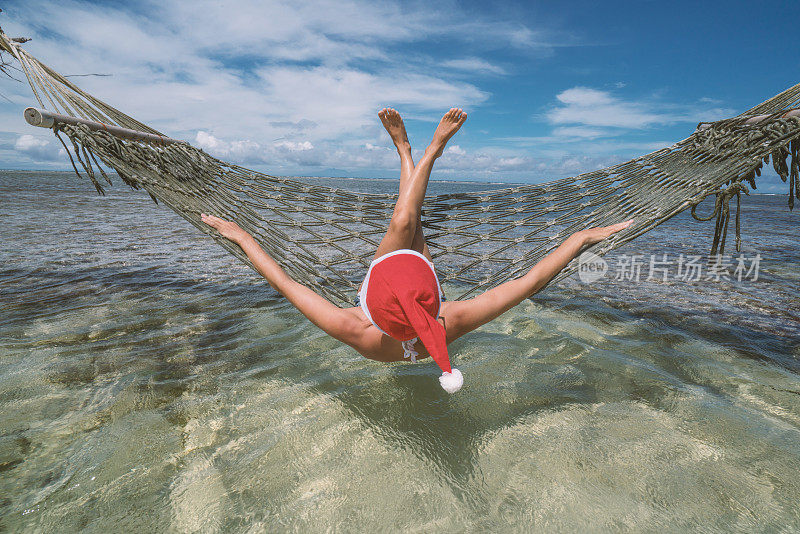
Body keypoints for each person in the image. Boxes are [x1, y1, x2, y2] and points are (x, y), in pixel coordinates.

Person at [201, 108, 633, 392]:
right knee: (413, 222)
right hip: (417, 291)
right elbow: (528, 283)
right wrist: (578, 240)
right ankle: (426, 152)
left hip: (386, 292)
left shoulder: (359, 330)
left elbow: (283, 280)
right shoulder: (448, 319)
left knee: (403, 222)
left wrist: (243, 236)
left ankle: (410, 152)